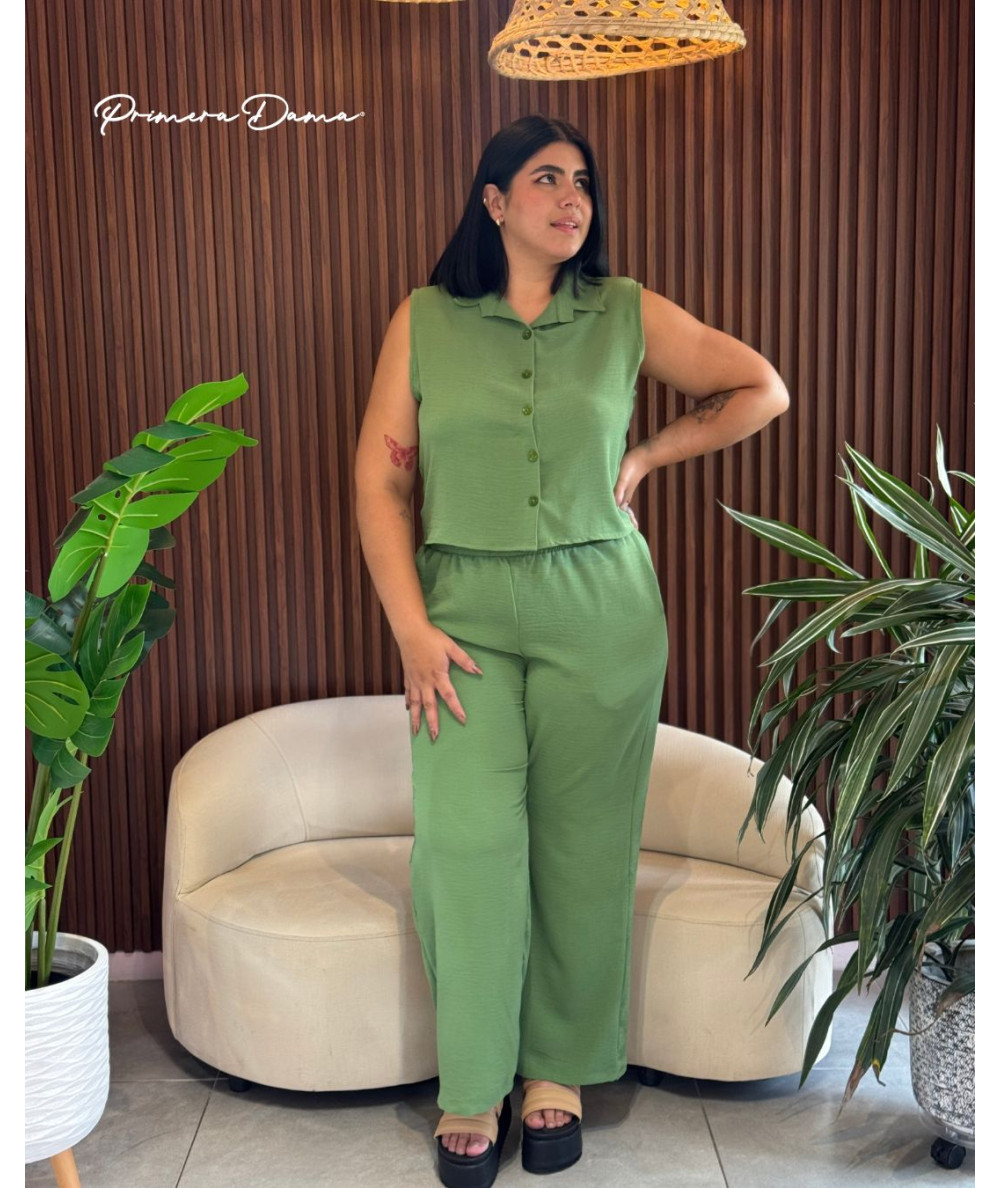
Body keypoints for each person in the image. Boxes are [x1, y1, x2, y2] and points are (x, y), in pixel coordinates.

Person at [355, 115, 789, 1187]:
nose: (572, 198)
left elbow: (761, 388)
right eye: (546, 178)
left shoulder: (625, 311)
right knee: (466, 844)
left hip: (602, 611)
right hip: (458, 618)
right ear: (493, 201)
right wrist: (410, 628)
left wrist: (648, 454)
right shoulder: (425, 318)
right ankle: (473, 1081)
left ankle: (555, 1068)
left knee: (585, 847)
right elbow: (381, 482)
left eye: (583, 181)